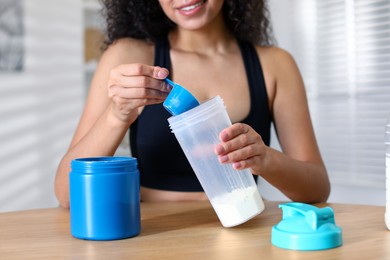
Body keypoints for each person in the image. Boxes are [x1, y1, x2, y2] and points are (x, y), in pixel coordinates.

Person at [55, 0, 330, 208]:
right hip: (153, 239)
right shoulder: (128, 57)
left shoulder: (275, 65)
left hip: (245, 234)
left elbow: (317, 189)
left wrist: (265, 158)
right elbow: (66, 193)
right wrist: (117, 115)